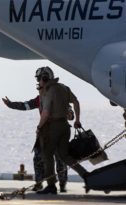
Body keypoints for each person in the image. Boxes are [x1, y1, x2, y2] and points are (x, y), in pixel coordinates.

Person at [2, 88, 73, 192]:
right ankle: (39, 183)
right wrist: (11, 104)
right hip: (44, 134)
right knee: (38, 159)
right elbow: (26, 105)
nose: (39, 90)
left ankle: (62, 184)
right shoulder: (39, 99)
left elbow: (71, 115)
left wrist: (69, 114)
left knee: (60, 159)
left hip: (58, 134)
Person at [34, 66, 88, 194]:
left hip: (53, 128)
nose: (38, 82)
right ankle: (86, 175)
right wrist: (77, 120)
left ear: (45, 78)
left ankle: (51, 186)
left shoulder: (49, 91)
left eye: (39, 79)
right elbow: (76, 102)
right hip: (65, 127)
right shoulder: (64, 88)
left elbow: (46, 113)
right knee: (65, 156)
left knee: (47, 155)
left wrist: (39, 127)